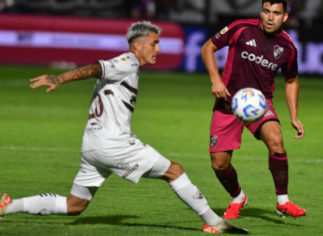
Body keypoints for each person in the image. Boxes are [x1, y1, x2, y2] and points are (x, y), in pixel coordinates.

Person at [0, 21, 248, 234]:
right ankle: (214, 222)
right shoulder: (127, 61)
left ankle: (8, 206)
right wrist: (60, 78)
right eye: (154, 43)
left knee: (75, 205)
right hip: (113, 144)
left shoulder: (130, 67)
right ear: (137, 45)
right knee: (174, 171)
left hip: (91, 146)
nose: (158, 49)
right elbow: (96, 68)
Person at [201, 0, 306, 219]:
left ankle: (282, 201)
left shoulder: (288, 48)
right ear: (261, 12)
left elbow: (291, 80)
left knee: (276, 141)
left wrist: (294, 116)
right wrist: (216, 81)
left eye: (276, 13)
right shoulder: (241, 28)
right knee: (219, 164)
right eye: (266, 11)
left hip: (259, 104)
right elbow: (208, 47)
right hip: (228, 102)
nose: (270, 17)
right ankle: (238, 197)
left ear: (284, 17)